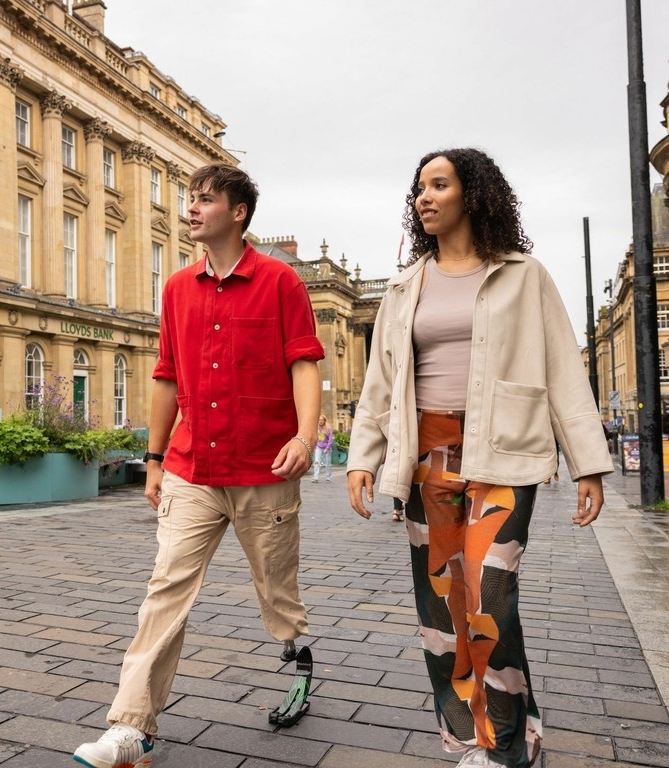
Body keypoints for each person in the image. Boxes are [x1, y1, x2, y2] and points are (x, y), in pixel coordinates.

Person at [346, 148, 612, 768]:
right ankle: (471, 738)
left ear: (475, 194)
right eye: (419, 190)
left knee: (489, 595)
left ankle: (509, 744)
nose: (425, 197)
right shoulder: (404, 284)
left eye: (439, 185)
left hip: (503, 453)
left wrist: (588, 462)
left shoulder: (524, 274)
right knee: (442, 606)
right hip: (425, 459)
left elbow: (564, 370)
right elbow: (380, 382)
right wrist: (365, 456)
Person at [74, 163, 324, 768]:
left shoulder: (280, 282)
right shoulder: (177, 288)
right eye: (190, 198)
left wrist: (306, 435)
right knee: (166, 590)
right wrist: (155, 460)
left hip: (264, 468)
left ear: (238, 213)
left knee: (278, 596)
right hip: (192, 467)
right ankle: (132, 729)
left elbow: (304, 362)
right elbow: (166, 378)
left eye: (205, 200)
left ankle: (296, 650)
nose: (191, 209)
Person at [312, 414, 333, 482]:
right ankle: (316, 477)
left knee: (328, 463)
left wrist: (327, 448)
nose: (320, 421)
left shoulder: (328, 428)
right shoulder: (316, 428)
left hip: (327, 447)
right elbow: (315, 438)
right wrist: (315, 447)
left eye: (322, 420)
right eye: (319, 420)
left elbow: (330, 439)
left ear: (324, 421)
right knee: (316, 462)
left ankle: (328, 477)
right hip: (319, 447)